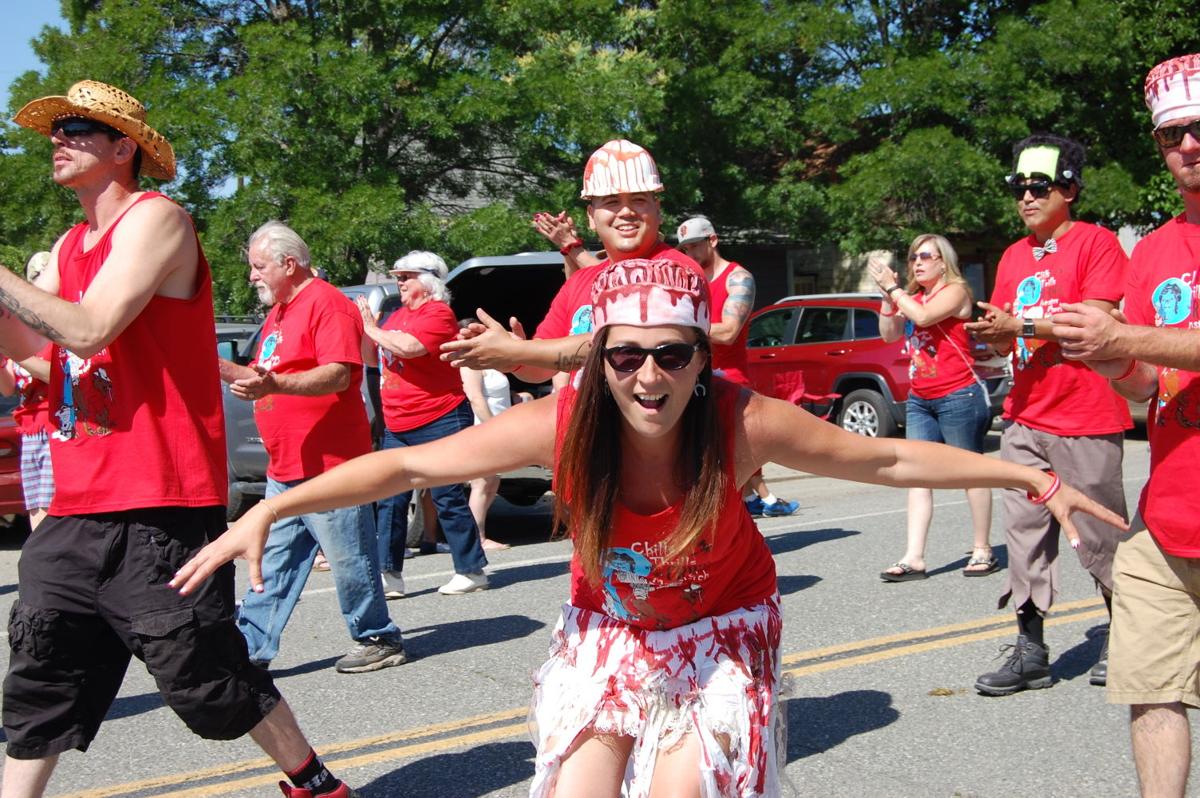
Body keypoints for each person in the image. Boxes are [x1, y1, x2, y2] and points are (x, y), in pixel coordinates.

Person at [174, 258, 1125, 798]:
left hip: (721, 633)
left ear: (700, 359)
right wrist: (274, 505)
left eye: (672, 354)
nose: (649, 376)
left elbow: (885, 462)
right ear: (598, 359)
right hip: (612, 632)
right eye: (625, 356)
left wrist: (1026, 474)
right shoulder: (562, 423)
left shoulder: (740, 421)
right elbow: (409, 466)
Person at [0, 80, 356, 798]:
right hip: (76, 505)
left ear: (123, 147)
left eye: (76, 127)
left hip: (159, 499)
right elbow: (53, 363)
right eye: (56, 129)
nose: (58, 139)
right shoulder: (68, 245)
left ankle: (314, 783)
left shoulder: (158, 219)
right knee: (41, 679)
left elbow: (90, 329)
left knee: (206, 676)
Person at [1051, 52, 1200, 798]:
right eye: (1173, 134)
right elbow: (1149, 383)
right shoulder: (1156, 252)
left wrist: (1126, 337)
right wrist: (1110, 360)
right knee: (1152, 690)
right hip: (1167, 520)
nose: (1188, 145)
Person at [964, 134, 1131, 696]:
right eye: (1019, 188)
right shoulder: (1014, 255)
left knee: (1100, 536)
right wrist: (992, 336)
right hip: (1024, 416)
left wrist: (1020, 326)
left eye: (1040, 187)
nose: (1027, 197)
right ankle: (1031, 651)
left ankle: (1126, 638)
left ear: (1070, 190)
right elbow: (1006, 335)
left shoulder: (1098, 243)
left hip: (1086, 416)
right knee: (1024, 538)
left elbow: (1094, 324)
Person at [221, 220, 404, 674]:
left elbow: (338, 374)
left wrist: (275, 384)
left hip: (330, 464)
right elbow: (261, 376)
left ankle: (378, 637)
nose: (252, 276)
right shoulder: (279, 314)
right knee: (273, 561)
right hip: (286, 465)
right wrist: (207, 361)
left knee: (349, 558)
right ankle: (249, 648)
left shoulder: (327, 304)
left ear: (289, 263)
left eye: (259, 266)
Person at [441, 139, 702, 382]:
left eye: (639, 200)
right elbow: (540, 371)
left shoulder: (676, 272)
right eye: (612, 201)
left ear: (658, 209)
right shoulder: (580, 281)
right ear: (591, 216)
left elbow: (619, 345)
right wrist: (512, 358)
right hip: (578, 417)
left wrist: (517, 351)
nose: (626, 211)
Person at [358, 251, 490, 595]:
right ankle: (389, 574)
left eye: (406, 276)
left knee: (446, 494)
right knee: (390, 499)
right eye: (398, 277)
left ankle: (471, 570)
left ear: (428, 281)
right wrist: (366, 332)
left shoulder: (439, 314)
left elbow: (410, 347)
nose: (399, 283)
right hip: (398, 423)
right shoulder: (396, 316)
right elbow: (373, 357)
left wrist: (372, 329)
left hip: (440, 416)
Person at [869, 235, 995, 580]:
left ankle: (982, 549)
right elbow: (889, 334)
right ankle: (914, 557)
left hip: (958, 393)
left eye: (926, 256)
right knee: (917, 474)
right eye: (913, 257)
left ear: (943, 262)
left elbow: (923, 318)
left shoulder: (956, 291)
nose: (917, 262)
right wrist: (887, 298)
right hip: (920, 397)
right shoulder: (912, 297)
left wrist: (894, 290)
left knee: (971, 471)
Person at [677, 215, 800, 518]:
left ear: (712, 240)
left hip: (729, 380)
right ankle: (757, 502)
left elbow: (729, 332)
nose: (690, 253)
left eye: (694, 245)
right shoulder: (688, 282)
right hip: (691, 379)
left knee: (731, 458)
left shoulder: (738, 278)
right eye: (685, 248)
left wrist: (676, 327)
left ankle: (755, 505)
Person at [0, 253, 55, 531]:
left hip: (55, 427)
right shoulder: (22, 328)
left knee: (53, 511)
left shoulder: (57, 329)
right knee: (35, 510)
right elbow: (8, 387)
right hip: (29, 429)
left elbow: (54, 374)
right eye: (34, 278)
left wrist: (15, 351)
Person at [459, 324, 514, 551]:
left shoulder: (489, 361)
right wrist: (493, 425)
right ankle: (477, 538)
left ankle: (478, 534)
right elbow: (475, 398)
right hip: (484, 428)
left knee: (493, 482)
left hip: (500, 428)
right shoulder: (470, 363)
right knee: (481, 483)